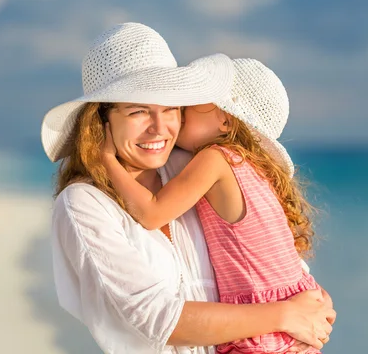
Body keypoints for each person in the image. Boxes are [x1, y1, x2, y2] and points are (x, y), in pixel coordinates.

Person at [41, 22, 335, 354]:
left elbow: (274, 255)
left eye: (170, 109)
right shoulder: (84, 204)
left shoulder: (191, 166)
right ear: (101, 121)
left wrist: (315, 307)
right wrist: (283, 315)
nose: (159, 128)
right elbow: (157, 319)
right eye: (138, 111)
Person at [102, 58, 322, 354]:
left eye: (192, 101)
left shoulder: (215, 160)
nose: (180, 108)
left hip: (257, 334)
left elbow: (153, 213)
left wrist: (106, 160)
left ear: (226, 120)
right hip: (290, 330)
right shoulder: (253, 167)